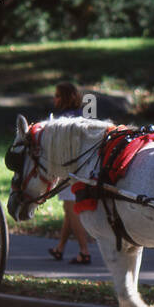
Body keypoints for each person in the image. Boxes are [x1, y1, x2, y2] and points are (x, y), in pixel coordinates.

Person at [48, 81, 93, 265]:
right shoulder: (81, 115)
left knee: (71, 209)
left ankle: (84, 252)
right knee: (69, 211)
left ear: (65, 98)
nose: (54, 99)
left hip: (70, 170)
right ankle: (60, 248)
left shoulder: (63, 119)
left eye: (58, 95)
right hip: (82, 167)